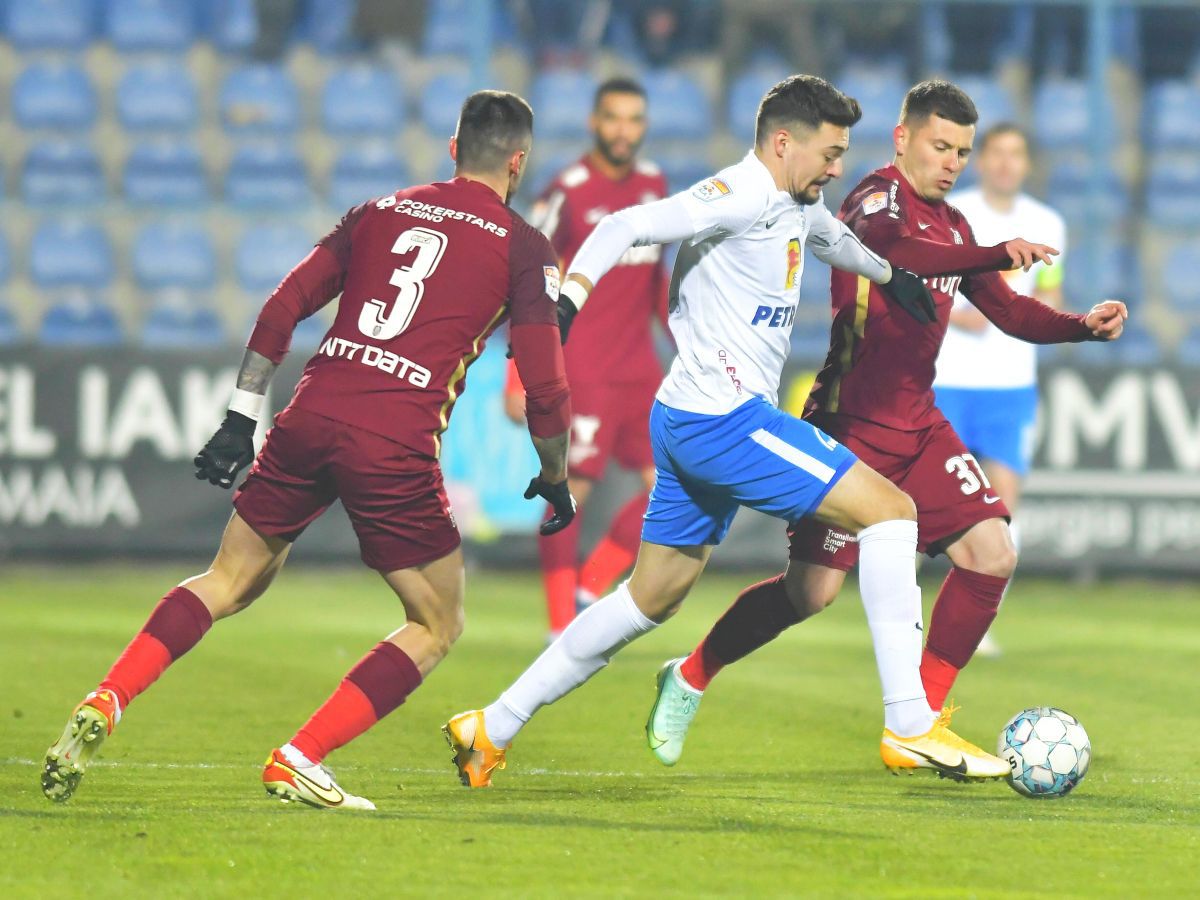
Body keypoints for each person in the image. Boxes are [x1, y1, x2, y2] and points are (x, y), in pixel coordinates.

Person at [444, 74, 1013, 789]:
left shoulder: (796, 199)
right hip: (725, 420)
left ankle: (490, 727)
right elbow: (623, 226)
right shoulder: (740, 192)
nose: (838, 167)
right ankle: (908, 723)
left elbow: (832, 236)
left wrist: (886, 273)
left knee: (649, 599)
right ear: (782, 143)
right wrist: (564, 308)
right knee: (891, 513)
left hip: (686, 418)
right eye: (830, 153)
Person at [41, 91, 577, 811]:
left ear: (452, 149)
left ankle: (108, 696)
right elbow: (544, 386)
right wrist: (553, 473)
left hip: (309, 412)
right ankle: (300, 755)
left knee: (229, 579)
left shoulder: (378, 210)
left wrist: (240, 419)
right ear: (519, 163)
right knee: (438, 621)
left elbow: (281, 306)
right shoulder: (525, 247)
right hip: (393, 440)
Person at [643, 81, 1126, 769]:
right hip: (852, 427)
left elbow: (1011, 314)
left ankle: (920, 721)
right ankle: (689, 674)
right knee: (809, 593)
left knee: (993, 554)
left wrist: (1082, 327)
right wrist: (996, 252)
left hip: (919, 425)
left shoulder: (956, 226)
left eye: (962, 150)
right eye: (940, 146)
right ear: (903, 138)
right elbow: (899, 256)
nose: (952, 162)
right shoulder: (874, 201)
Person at [506, 77, 668, 637]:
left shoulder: (654, 186)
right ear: (595, 123)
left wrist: (691, 343)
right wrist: (516, 371)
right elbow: (528, 280)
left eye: (634, 119)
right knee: (569, 492)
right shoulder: (568, 192)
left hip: (642, 371)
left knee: (672, 487)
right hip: (586, 368)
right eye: (614, 118)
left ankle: (588, 587)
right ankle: (559, 626)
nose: (624, 130)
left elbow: (657, 284)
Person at [934, 123, 1067, 657]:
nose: (1007, 163)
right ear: (980, 160)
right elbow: (918, 283)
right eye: (997, 153)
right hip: (946, 380)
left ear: (1027, 163)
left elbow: (1053, 295)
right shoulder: (954, 214)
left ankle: (974, 623)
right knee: (931, 510)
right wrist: (955, 314)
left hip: (1011, 385)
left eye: (1017, 154)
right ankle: (916, 613)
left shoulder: (1047, 222)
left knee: (1002, 510)